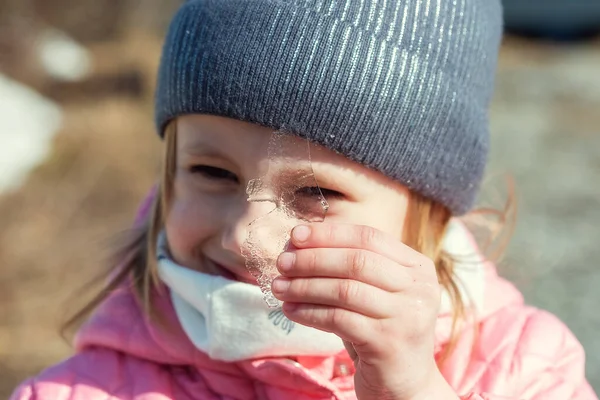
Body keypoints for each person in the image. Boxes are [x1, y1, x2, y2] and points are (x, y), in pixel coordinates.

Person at [10, 0, 597, 399]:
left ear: (431, 211)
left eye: (316, 191)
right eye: (212, 172)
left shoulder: (525, 369)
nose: (246, 234)